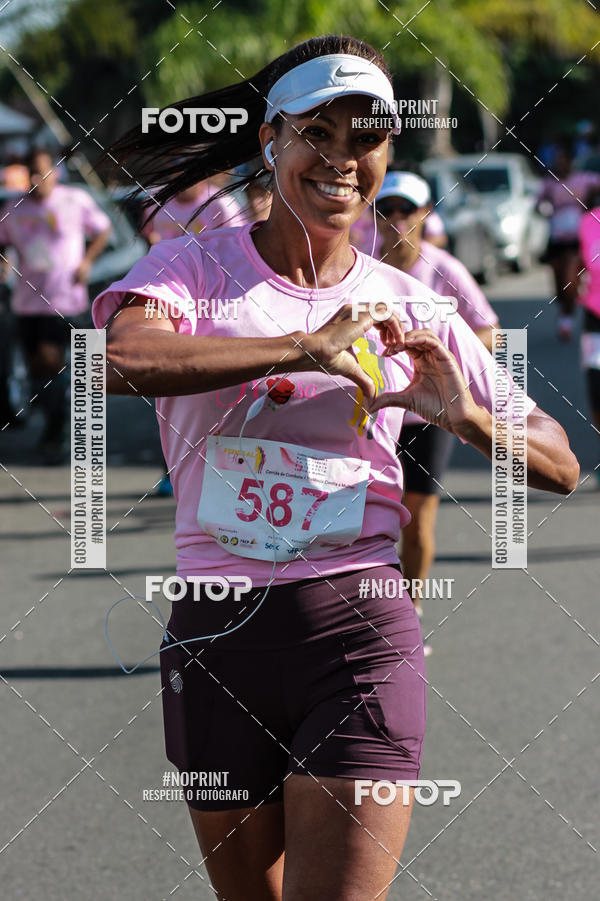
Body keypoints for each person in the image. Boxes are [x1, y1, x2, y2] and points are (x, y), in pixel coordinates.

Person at [94, 36, 579, 901]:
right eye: (320, 131)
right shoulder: (192, 271)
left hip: (360, 631)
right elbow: (119, 360)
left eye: (368, 138)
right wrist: (301, 346)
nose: (344, 159)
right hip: (216, 635)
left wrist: (464, 416)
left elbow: (560, 462)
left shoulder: (412, 302)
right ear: (269, 139)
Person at [375, 171, 499, 651]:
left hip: (432, 417)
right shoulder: (359, 266)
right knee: (366, 519)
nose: (396, 220)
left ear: (427, 215)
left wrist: (445, 346)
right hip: (376, 414)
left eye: (407, 210)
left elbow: (490, 329)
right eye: (386, 209)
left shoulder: (443, 269)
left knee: (418, 518)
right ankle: (370, 614)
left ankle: (411, 611)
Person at [0, 149, 111, 462]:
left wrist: (88, 261)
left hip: (64, 299)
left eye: (42, 173)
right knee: (38, 367)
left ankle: (62, 420)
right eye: (31, 174)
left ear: (55, 174)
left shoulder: (74, 200)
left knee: (52, 359)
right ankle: (56, 414)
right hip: (26, 302)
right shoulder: (14, 207)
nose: (37, 180)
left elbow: (103, 230)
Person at [141, 176, 245, 496]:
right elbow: (150, 241)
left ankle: (228, 470)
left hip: (214, 305)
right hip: (170, 302)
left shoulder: (221, 204)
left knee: (214, 397)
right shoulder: (158, 200)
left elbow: (240, 248)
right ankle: (171, 471)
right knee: (170, 389)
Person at [536, 144, 600, 342]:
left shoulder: (584, 180)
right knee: (558, 283)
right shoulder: (549, 183)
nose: (561, 164)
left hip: (576, 240)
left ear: (571, 162)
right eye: (558, 161)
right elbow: (537, 205)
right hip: (556, 238)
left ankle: (567, 320)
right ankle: (564, 310)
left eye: (565, 160)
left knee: (570, 280)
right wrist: (545, 210)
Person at [577, 187, 600, 485]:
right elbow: (578, 265)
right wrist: (568, 316)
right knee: (597, 390)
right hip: (595, 318)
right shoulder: (590, 221)